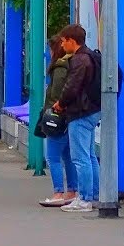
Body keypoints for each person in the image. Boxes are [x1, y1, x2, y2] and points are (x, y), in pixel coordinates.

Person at [54, 23, 101, 213]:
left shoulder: (79, 60)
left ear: (72, 41)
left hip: (80, 112)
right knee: (89, 156)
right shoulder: (91, 56)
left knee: (80, 158)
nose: (62, 45)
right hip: (92, 110)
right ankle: (95, 196)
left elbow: (72, 87)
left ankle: (84, 199)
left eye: (64, 41)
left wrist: (61, 103)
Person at [40, 35, 78, 207]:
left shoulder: (60, 67)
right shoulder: (72, 65)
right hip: (70, 117)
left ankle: (58, 192)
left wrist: (52, 109)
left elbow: (56, 93)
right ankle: (72, 190)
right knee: (68, 156)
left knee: (53, 157)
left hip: (58, 117)